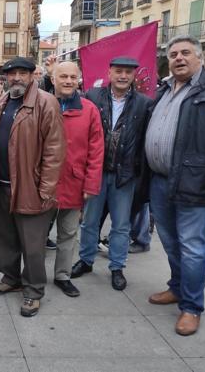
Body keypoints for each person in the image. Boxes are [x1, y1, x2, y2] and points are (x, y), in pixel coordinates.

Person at [145, 35, 205, 336]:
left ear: (199, 57)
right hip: (161, 181)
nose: (178, 58)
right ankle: (177, 287)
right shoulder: (165, 88)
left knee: (194, 248)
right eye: (174, 53)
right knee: (172, 242)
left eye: (186, 52)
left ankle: (191, 307)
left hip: (197, 184)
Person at [0, 57, 65, 317]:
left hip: (31, 186)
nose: (16, 78)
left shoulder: (46, 102)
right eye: (12, 74)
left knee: (32, 245)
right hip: (2, 186)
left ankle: (33, 290)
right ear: (5, 77)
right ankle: (11, 278)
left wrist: (46, 188)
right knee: (6, 239)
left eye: (22, 73)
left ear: (32, 75)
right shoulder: (2, 103)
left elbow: (55, 150)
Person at [71, 57, 151, 291]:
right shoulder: (92, 96)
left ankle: (117, 266)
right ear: (110, 73)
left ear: (134, 75)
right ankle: (86, 260)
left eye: (128, 72)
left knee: (121, 224)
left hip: (125, 174)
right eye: (118, 71)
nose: (123, 76)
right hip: (96, 171)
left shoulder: (144, 103)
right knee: (90, 221)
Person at [50, 61, 104, 298]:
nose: (69, 81)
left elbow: (96, 150)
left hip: (73, 183)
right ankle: (31, 276)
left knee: (68, 234)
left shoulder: (89, 109)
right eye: (63, 76)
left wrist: (91, 184)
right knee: (34, 235)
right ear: (54, 79)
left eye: (73, 77)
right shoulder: (41, 104)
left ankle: (62, 275)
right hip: (43, 184)